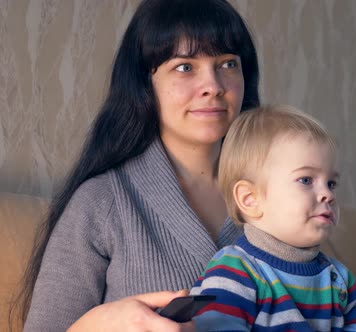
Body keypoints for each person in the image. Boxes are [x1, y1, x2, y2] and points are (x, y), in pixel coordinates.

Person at [13, 0, 260, 330]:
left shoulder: (285, 191)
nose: (213, 87)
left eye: (228, 64)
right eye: (185, 67)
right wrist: (99, 324)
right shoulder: (101, 202)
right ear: (146, 83)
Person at [189, 105, 356, 331]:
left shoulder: (340, 279)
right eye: (306, 180)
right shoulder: (235, 271)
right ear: (250, 199)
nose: (328, 194)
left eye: (331, 183)